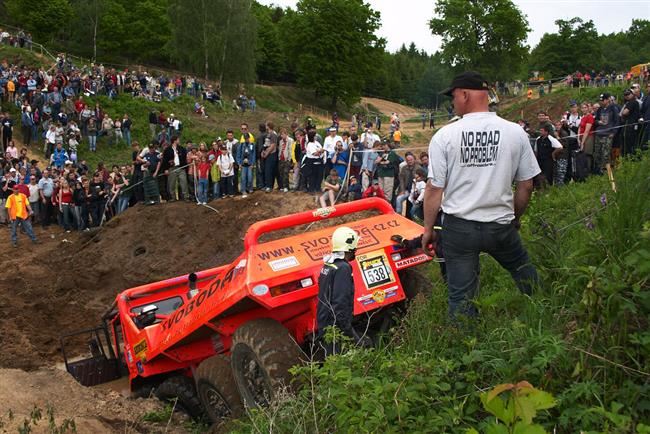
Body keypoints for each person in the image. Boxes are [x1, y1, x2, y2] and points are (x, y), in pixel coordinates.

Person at [422, 71, 541, 321]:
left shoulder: (444, 136)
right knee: (526, 276)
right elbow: (526, 185)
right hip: (500, 223)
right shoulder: (515, 132)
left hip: (459, 227)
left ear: (465, 94)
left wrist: (428, 229)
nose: (452, 102)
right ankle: (544, 317)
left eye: (453, 96)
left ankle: (465, 350)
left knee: (461, 297)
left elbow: (434, 188)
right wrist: (515, 217)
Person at [316, 226, 368, 356]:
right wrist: (349, 332)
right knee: (343, 361)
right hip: (335, 327)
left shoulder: (329, 264)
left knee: (333, 360)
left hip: (325, 324)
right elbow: (340, 303)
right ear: (350, 247)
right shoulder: (343, 268)